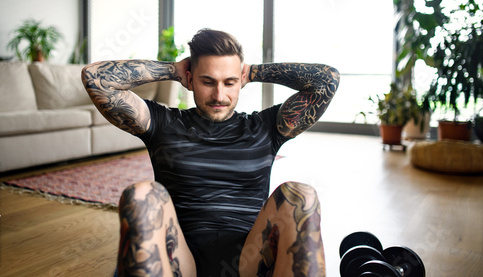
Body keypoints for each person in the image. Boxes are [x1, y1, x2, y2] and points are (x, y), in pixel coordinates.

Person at [82, 29, 340, 277]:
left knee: (301, 195)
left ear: (241, 81)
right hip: (179, 259)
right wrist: (172, 69)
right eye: (208, 81)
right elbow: (95, 77)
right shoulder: (163, 124)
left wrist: (252, 71)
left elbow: (327, 79)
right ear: (191, 79)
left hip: (250, 259)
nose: (219, 95)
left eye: (230, 82)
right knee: (141, 194)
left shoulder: (266, 127)